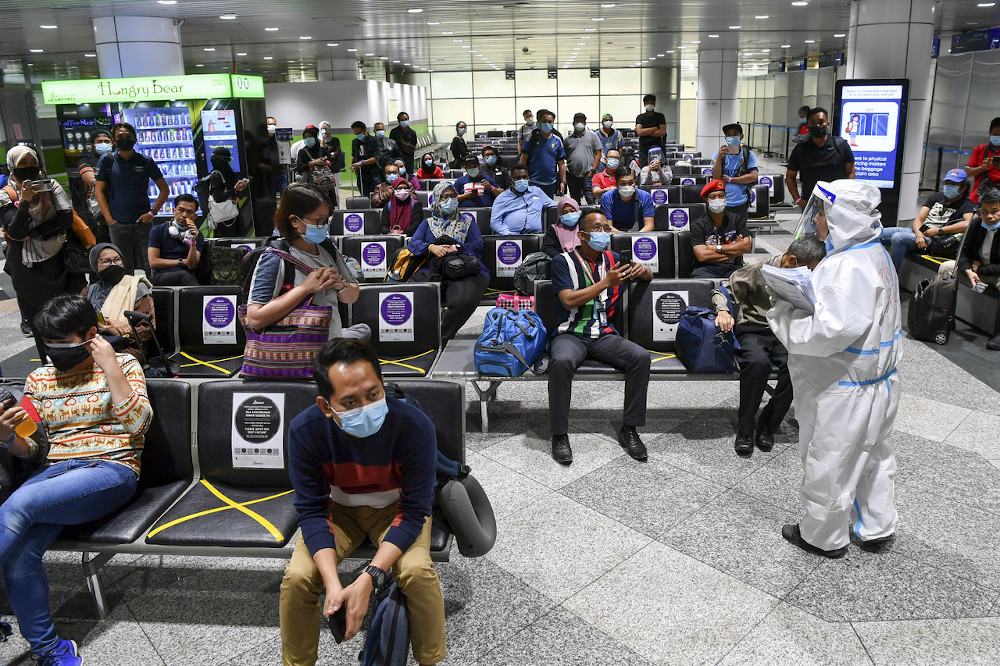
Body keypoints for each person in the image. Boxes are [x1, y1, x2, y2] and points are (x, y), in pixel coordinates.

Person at [0, 294, 151, 665]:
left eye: (63, 343)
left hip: (110, 468)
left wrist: (110, 367)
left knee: (18, 503)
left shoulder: (124, 364)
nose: (54, 351)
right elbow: (34, 450)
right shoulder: (39, 379)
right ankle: (48, 649)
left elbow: (138, 426)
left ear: (90, 336)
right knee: (19, 553)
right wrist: (6, 438)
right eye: (48, 343)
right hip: (55, 474)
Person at [279, 338, 446, 666]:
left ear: (383, 383)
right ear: (326, 406)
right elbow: (312, 510)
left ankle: (430, 659)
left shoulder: (414, 426)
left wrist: (368, 577)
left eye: (373, 394)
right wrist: (333, 584)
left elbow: (415, 510)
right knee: (298, 578)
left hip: (396, 509)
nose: (366, 408)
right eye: (350, 402)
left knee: (417, 571)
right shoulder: (305, 431)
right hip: (339, 511)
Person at [769, 179, 901, 558]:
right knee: (872, 456)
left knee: (829, 462)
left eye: (823, 214)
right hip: (876, 382)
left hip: (842, 387)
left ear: (842, 217)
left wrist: (782, 312)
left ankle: (822, 537)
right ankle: (877, 526)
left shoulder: (846, 266)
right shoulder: (874, 252)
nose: (816, 221)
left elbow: (825, 332)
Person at [548, 211, 652, 465]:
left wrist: (642, 271)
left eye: (606, 228)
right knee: (561, 362)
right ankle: (559, 434)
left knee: (640, 358)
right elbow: (568, 300)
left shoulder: (613, 259)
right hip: (571, 333)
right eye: (597, 229)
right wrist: (606, 282)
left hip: (604, 334)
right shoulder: (562, 261)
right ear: (583, 235)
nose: (603, 233)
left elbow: (648, 275)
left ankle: (630, 429)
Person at [713, 235, 826, 457]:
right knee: (757, 363)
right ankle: (745, 429)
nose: (811, 274)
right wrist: (723, 310)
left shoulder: (810, 277)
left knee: (798, 366)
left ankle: (768, 424)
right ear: (791, 260)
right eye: (809, 269)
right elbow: (722, 291)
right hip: (755, 329)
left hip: (787, 330)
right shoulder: (758, 269)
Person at [247, 184, 368, 341]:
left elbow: (352, 295)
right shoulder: (276, 257)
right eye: (318, 220)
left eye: (326, 220)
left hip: (331, 347)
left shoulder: (327, 247)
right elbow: (255, 318)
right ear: (294, 221)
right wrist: (305, 288)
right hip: (294, 351)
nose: (323, 226)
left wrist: (341, 285)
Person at [1, 145, 88, 351]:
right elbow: (16, 232)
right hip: (28, 269)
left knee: (70, 314)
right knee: (41, 320)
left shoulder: (52, 186)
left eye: (33, 162)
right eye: (23, 163)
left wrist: (34, 234)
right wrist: (24, 201)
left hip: (61, 261)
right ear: (13, 166)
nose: (29, 167)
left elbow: (65, 218)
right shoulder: (6, 195)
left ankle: (78, 358)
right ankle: (49, 362)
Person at [408, 182, 490, 341]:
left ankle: (441, 336)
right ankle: (423, 336)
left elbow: (477, 244)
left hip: (462, 268)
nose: (450, 200)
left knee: (464, 300)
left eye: (453, 196)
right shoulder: (427, 223)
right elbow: (413, 243)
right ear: (437, 199)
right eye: (444, 197)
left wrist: (456, 248)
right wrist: (431, 247)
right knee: (417, 296)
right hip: (432, 269)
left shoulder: (467, 222)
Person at [95, 122, 169, 275]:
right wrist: (109, 220)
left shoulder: (145, 161)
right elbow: (99, 191)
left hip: (143, 223)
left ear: (135, 140)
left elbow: (164, 189)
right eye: (120, 136)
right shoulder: (107, 161)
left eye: (128, 136)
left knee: (150, 265)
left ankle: (154, 290)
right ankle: (128, 291)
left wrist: (152, 213)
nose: (124, 139)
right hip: (118, 223)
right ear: (114, 141)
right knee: (123, 266)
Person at [937, 184, 1000, 349]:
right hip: (975, 270)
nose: (990, 216)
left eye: (995, 211)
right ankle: (944, 318)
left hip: (994, 273)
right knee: (946, 268)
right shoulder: (976, 224)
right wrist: (968, 270)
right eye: (985, 212)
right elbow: (962, 252)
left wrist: (980, 269)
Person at [879, 168, 975, 270]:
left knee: (898, 238)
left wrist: (939, 231)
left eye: (954, 184)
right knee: (878, 233)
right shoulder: (937, 196)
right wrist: (919, 235)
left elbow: (968, 224)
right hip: (919, 232)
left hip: (934, 239)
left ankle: (893, 274)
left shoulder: (967, 205)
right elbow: (918, 219)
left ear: (964, 187)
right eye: (947, 183)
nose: (949, 186)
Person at [83, 242, 155, 362]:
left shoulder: (135, 287)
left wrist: (123, 331)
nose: (113, 264)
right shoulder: (89, 291)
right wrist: (105, 325)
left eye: (117, 260)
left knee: (105, 361)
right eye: (106, 261)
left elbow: (148, 330)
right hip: (93, 343)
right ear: (95, 265)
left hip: (129, 346)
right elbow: (78, 322)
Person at [785, 107, 855, 210]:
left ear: (828, 124)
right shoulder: (800, 149)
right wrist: (798, 200)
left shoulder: (841, 146)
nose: (817, 125)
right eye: (813, 122)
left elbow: (851, 173)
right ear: (807, 125)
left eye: (821, 122)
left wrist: (845, 196)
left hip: (837, 204)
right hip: (810, 204)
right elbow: (790, 177)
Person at [691, 179, 752, 279]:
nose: (718, 199)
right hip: (706, 269)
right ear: (706, 200)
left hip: (734, 267)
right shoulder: (698, 225)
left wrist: (716, 248)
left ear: (725, 197)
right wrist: (734, 251)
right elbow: (702, 256)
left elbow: (746, 246)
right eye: (713, 197)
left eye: (721, 196)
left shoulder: (736, 219)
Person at [147, 193, 205, 287]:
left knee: (187, 275)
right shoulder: (157, 230)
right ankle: (200, 295)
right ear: (174, 211)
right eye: (181, 210)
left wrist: (193, 241)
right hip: (162, 275)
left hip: (188, 275)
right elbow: (153, 262)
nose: (184, 215)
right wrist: (182, 262)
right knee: (183, 275)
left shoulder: (197, 235)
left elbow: (192, 265)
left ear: (194, 216)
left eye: (189, 212)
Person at [711, 123, 759, 223]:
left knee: (740, 230)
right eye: (729, 135)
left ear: (741, 136)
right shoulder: (717, 155)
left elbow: (753, 176)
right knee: (722, 230)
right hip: (721, 202)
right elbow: (715, 177)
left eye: (735, 134)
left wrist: (730, 180)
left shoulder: (748, 154)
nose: (732, 137)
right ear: (725, 138)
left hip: (741, 201)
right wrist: (719, 157)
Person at [490, 165, 557, 235]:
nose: (522, 180)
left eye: (524, 177)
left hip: (535, 235)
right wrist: (507, 233)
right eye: (518, 178)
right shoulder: (502, 198)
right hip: (510, 235)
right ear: (511, 180)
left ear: (528, 178)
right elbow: (495, 221)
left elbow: (555, 206)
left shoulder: (537, 192)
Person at [75, 129, 114, 244]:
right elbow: (92, 180)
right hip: (97, 210)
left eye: (106, 141)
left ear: (112, 143)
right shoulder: (86, 162)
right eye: (99, 141)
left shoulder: (117, 159)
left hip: (117, 206)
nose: (103, 144)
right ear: (93, 144)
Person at [519, 109, 566, 199]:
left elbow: (561, 163)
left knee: (549, 206)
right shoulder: (532, 137)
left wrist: (563, 182)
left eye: (550, 122)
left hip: (550, 183)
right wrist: (522, 178)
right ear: (539, 123)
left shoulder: (557, 140)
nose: (547, 124)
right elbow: (523, 158)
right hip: (533, 182)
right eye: (544, 121)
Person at [205, 146, 250, 237]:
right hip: (224, 218)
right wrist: (234, 189)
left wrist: (237, 193)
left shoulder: (227, 172)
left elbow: (229, 189)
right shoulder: (216, 175)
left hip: (232, 214)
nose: (231, 159)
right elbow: (218, 197)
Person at [564, 113, 603, 205]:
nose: (579, 123)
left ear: (585, 123)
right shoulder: (567, 139)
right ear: (573, 123)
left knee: (590, 198)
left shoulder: (592, 136)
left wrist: (593, 169)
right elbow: (565, 155)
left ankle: (592, 213)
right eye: (577, 121)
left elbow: (598, 153)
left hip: (587, 173)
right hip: (572, 175)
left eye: (581, 121)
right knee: (575, 200)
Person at [295, 125, 337, 207]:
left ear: (315, 137)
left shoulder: (323, 150)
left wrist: (326, 163)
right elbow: (299, 168)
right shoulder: (302, 152)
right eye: (305, 137)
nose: (307, 139)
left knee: (327, 207)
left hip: (326, 187)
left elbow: (332, 165)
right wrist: (312, 163)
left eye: (309, 136)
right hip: (310, 188)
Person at [965, 117, 1000, 204]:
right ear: (989, 133)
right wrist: (983, 167)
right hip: (978, 199)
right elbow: (968, 173)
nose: (998, 137)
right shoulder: (979, 150)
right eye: (995, 134)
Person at [350, 121, 383, 198]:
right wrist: (351, 165)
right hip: (361, 174)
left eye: (359, 133)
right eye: (356, 134)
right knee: (364, 195)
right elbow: (353, 155)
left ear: (365, 130)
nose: (358, 135)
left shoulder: (375, 141)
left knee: (375, 195)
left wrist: (362, 162)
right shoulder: (355, 142)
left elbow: (376, 158)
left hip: (374, 174)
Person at [635, 94, 666, 167]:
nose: (649, 105)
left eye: (651, 103)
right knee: (644, 169)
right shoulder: (640, 117)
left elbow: (662, 131)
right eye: (647, 103)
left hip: (658, 147)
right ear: (644, 104)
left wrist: (646, 132)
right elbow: (639, 132)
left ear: (654, 104)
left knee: (658, 169)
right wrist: (655, 128)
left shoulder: (660, 116)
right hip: (644, 149)